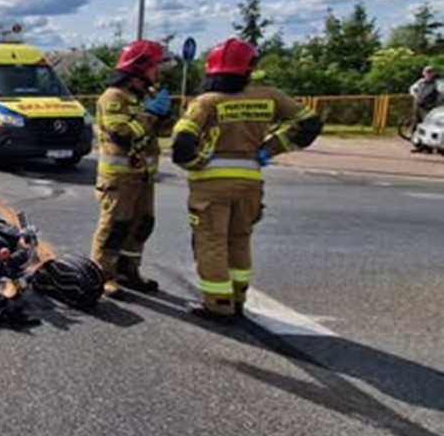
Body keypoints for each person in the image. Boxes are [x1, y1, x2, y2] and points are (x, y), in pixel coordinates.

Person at [171, 37, 323, 321]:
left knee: (211, 241)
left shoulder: (207, 101)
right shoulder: (269, 96)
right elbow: (310, 123)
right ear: (249, 68)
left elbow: (181, 142)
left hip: (211, 185)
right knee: (240, 239)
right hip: (250, 180)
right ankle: (238, 297)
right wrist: (271, 148)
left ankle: (217, 303)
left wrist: (193, 162)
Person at [89, 39, 173, 296]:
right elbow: (122, 134)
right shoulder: (114, 96)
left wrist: (164, 116)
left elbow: (159, 133)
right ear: (139, 68)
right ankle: (102, 275)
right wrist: (149, 115)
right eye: (154, 67)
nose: (156, 72)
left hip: (143, 176)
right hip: (119, 178)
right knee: (115, 227)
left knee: (142, 225)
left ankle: (129, 271)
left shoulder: (143, 97)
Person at [409, 66, 441, 153]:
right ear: (424, 73)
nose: (428, 74)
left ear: (434, 73)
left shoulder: (437, 83)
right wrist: (416, 96)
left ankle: (429, 147)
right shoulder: (420, 82)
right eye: (427, 72)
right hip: (418, 106)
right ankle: (419, 145)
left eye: (430, 72)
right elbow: (412, 89)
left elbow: (442, 92)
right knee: (416, 124)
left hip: (429, 108)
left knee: (428, 127)